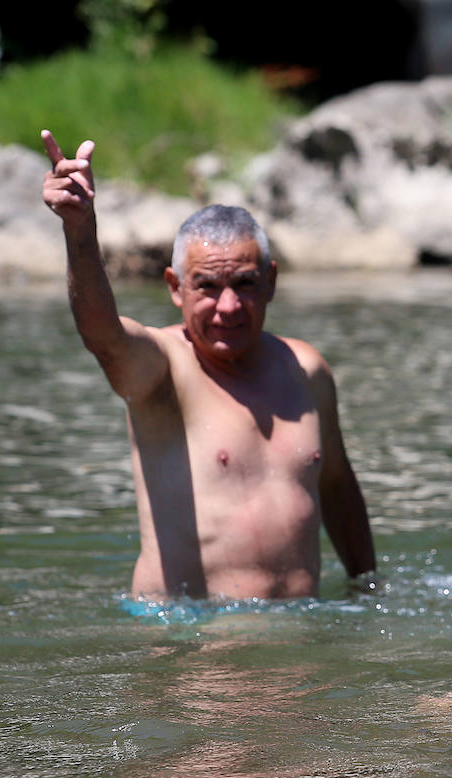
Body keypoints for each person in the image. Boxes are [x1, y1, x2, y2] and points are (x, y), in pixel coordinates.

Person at [40, 131, 375, 600]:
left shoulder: (307, 369)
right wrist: (79, 231)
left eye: (244, 282)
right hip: (190, 639)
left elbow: (338, 485)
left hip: (300, 635)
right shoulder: (161, 369)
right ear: (176, 287)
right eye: (208, 287)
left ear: (271, 281)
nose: (229, 306)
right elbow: (103, 336)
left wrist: (369, 589)